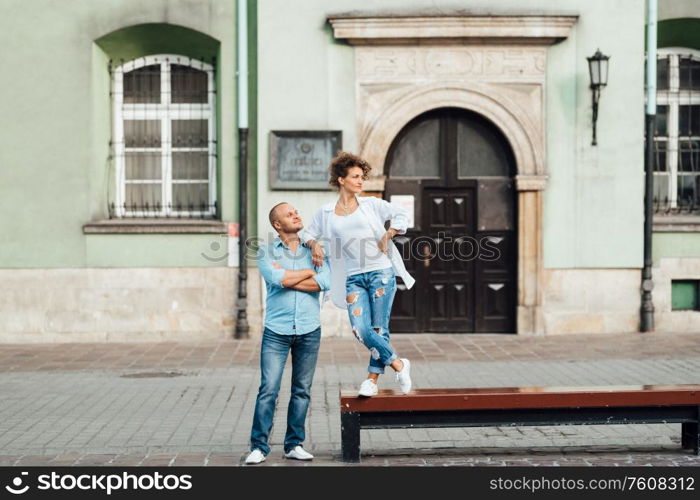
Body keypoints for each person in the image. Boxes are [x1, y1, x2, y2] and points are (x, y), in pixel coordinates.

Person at [302, 151, 416, 398]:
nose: (360, 181)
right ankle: (398, 364)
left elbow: (401, 214)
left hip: (380, 274)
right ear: (341, 180)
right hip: (353, 277)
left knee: (378, 329)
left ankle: (371, 381)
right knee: (360, 330)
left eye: (362, 177)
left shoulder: (371, 205)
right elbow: (306, 233)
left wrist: (389, 234)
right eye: (355, 176)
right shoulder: (326, 212)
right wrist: (314, 244)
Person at [245, 202, 331, 465]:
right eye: (289, 214)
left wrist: (292, 277)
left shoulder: (315, 250)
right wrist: (308, 272)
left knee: (302, 390)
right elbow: (275, 279)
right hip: (276, 332)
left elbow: (325, 282)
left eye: (296, 211)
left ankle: (294, 444)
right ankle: (259, 447)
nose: (296, 214)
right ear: (277, 225)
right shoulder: (265, 251)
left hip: (309, 329)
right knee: (268, 389)